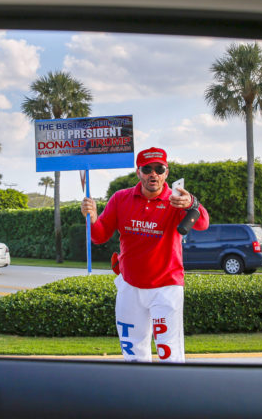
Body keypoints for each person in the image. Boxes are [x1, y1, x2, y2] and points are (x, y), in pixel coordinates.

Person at [81, 147, 209, 363]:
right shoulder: (121, 198)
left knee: (168, 352)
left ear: (166, 172)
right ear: (138, 172)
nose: (153, 174)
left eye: (159, 169)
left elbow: (203, 223)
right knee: (133, 353)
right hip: (130, 286)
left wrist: (192, 204)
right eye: (147, 169)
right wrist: (93, 218)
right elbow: (99, 236)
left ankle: (171, 386)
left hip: (166, 287)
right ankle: (138, 384)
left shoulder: (177, 200)